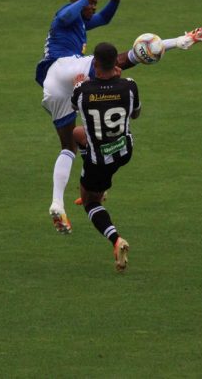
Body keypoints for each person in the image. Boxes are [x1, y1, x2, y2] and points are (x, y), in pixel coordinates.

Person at [35, 0, 202, 234]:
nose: (93, 10)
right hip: (62, 68)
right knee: (113, 61)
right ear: (79, 4)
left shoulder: (81, 21)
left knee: (68, 146)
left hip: (53, 86)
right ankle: (179, 42)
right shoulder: (64, 16)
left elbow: (104, 18)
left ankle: (57, 203)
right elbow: (67, 13)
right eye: (90, 6)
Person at [70, 43, 141, 272]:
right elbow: (136, 113)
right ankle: (98, 186)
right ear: (116, 64)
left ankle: (116, 240)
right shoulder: (129, 87)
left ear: (95, 64)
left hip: (99, 159)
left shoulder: (82, 91)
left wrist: (79, 83)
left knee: (90, 201)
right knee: (78, 134)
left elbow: (75, 104)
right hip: (124, 150)